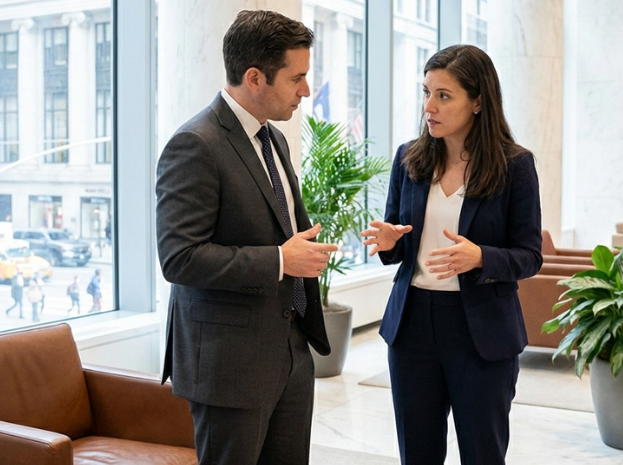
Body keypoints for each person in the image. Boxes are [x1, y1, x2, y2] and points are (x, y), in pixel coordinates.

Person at [155, 9, 338, 465]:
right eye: (296, 78)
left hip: (291, 354)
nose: (306, 90)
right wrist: (279, 260)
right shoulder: (194, 144)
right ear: (255, 77)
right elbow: (179, 258)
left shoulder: (273, 139)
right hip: (230, 367)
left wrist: (303, 253)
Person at [360, 45, 543, 465]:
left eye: (444, 95)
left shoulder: (515, 166)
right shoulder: (409, 158)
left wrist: (482, 257)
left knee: (483, 453)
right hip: (412, 328)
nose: (429, 106)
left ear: (478, 101)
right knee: (417, 454)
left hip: (481, 330)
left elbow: (530, 254)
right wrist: (391, 242)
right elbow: (404, 242)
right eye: (426, 92)